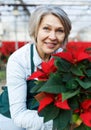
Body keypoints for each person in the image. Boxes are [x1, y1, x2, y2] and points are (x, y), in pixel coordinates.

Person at [6, 5, 71, 130]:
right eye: (46, 28)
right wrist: (63, 124)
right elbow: (19, 115)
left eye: (59, 30)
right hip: (16, 122)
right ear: (35, 31)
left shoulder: (64, 59)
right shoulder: (19, 60)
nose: (52, 37)